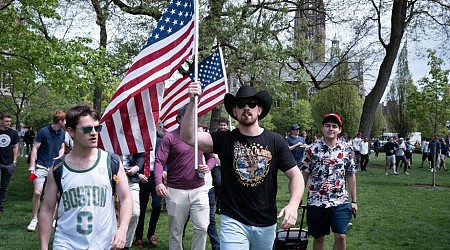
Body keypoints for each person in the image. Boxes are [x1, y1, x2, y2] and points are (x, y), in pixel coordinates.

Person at [181, 83, 304, 250]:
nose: (247, 108)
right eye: (241, 105)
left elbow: (296, 176)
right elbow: (188, 137)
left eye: (252, 104)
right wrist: (192, 102)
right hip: (233, 219)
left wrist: (293, 204)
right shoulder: (224, 139)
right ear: (234, 111)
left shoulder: (275, 141)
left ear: (259, 110)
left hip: (266, 221)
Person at [38, 104, 132, 249]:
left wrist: (123, 229)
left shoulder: (111, 162)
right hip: (66, 243)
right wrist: (44, 247)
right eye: (87, 129)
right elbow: (47, 209)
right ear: (71, 132)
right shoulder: (58, 168)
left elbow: (126, 198)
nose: (94, 133)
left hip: (104, 243)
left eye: (97, 128)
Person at [154, 105, 215, 250]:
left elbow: (211, 157)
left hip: (199, 190)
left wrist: (209, 166)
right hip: (176, 191)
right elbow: (159, 161)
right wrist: (158, 183)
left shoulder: (201, 137)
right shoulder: (169, 137)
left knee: (202, 227)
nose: (191, 119)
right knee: (175, 232)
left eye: (194, 116)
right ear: (180, 118)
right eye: (188, 116)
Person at [301, 113, 357, 250]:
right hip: (316, 201)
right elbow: (304, 175)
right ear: (322, 128)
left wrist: (354, 201)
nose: (330, 129)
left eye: (334, 126)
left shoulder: (347, 150)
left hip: (340, 200)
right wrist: (298, 198)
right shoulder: (311, 149)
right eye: (327, 126)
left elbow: (350, 175)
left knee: (341, 236)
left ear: (339, 129)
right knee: (319, 238)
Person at [27, 110, 66, 232]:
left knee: (54, 194)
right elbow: (35, 148)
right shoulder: (43, 131)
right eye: (65, 121)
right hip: (41, 166)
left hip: (54, 167)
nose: (66, 123)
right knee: (37, 193)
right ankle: (34, 219)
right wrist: (32, 165)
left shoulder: (63, 133)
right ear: (60, 121)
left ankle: (53, 219)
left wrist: (60, 156)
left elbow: (62, 146)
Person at [134, 131, 164, 248]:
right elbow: (133, 159)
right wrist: (138, 175)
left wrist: (164, 170)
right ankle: (139, 236)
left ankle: (151, 233)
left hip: (156, 176)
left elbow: (164, 158)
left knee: (157, 206)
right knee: (141, 208)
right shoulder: (138, 143)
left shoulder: (160, 142)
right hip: (142, 177)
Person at [123, 152, 146, 250]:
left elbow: (141, 154)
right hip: (110, 178)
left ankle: (125, 245)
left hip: (130, 178)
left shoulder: (131, 136)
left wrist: (136, 168)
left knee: (135, 213)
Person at [0, 113, 19, 213]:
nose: (8, 123)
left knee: (4, 186)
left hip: (8, 163)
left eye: (10, 121)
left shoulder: (13, 133)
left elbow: (15, 147)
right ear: (1, 121)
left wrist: (14, 161)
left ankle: (1, 205)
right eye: (6, 121)